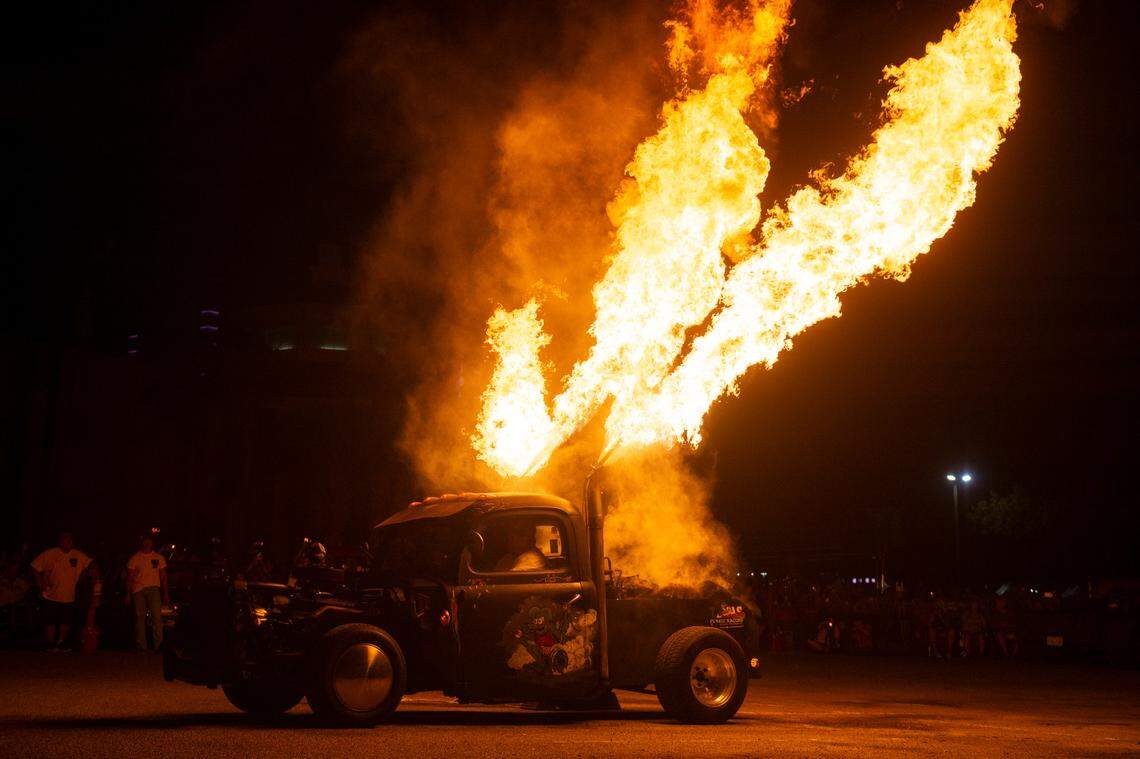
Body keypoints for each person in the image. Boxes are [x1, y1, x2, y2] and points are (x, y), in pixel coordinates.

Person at [31, 531, 97, 651]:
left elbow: (91, 564)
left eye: (70, 540)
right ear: (60, 541)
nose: (68, 543)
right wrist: (40, 583)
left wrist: (92, 575)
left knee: (65, 621)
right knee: (49, 620)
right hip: (50, 594)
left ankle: (61, 642)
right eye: (66, 540)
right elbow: (35, 566)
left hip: (68, 595)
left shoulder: (78, 555)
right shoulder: (50, 553)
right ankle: (50, 643)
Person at [126, 534, 169, 652]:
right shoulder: (134, 558)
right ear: (142, 543)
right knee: (140, 618)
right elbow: (129, 578)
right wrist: (128, 594)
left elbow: (163, 576)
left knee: (157, 618)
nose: (147, 543)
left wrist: (165, 593)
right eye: (145, 541)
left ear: (152, 543)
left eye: (149, 541)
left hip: (154, 589)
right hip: (138, 590)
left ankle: (159, 646)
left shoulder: (159, 558)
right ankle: (141, 646)